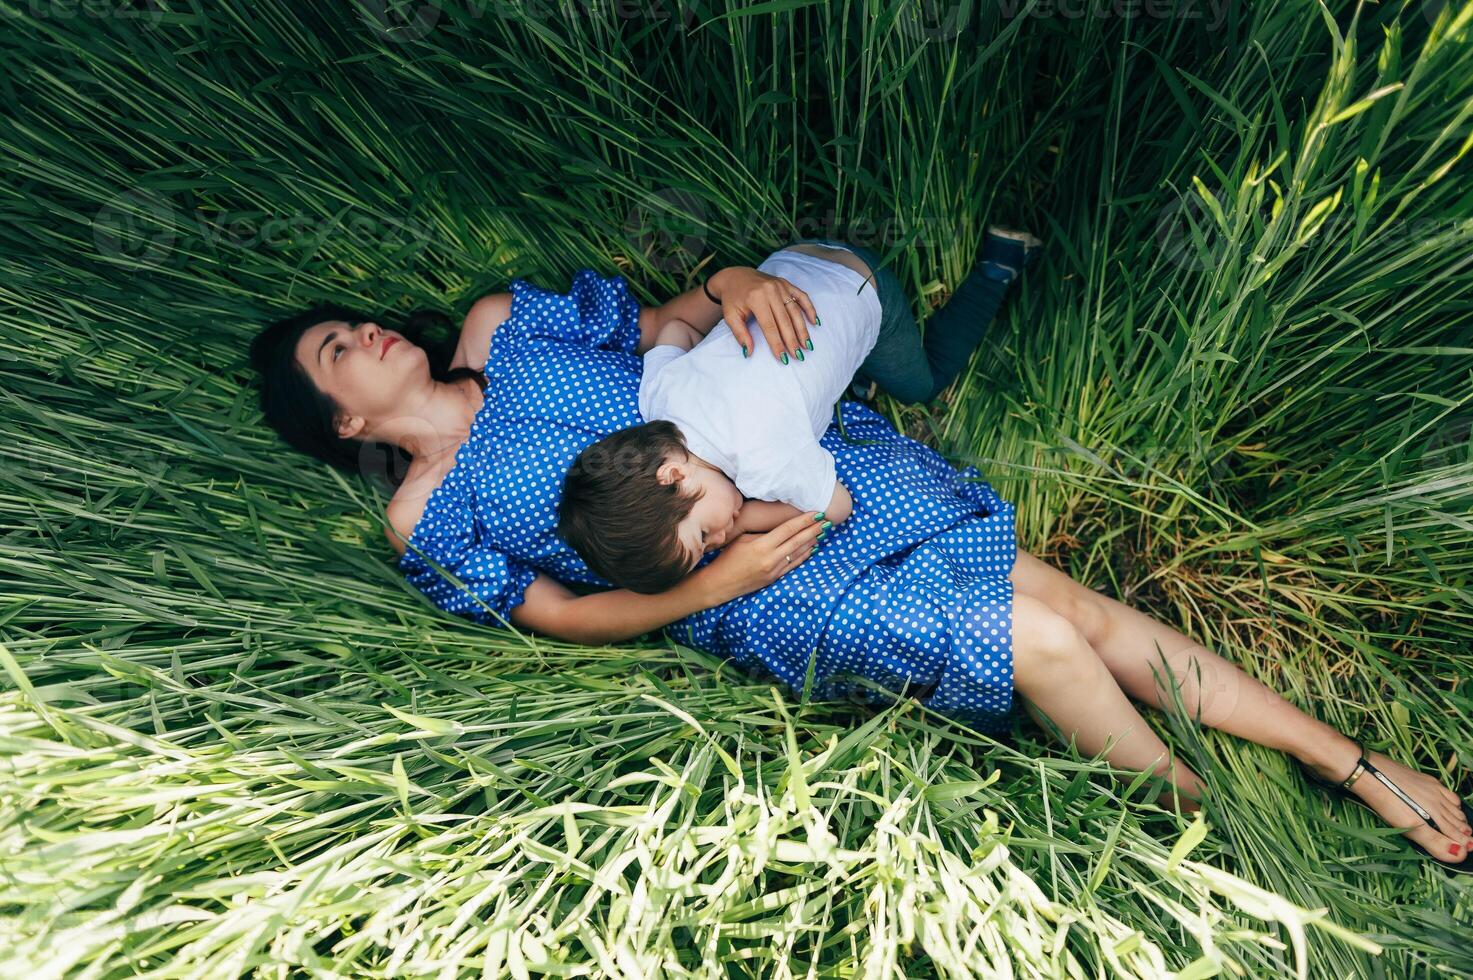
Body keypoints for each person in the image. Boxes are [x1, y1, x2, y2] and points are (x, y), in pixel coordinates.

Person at [250, 235, 1473, 872]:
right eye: (336, 354)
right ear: (344, 422)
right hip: (759, 584)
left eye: (350, 325)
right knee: (1041, 634)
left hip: (801, 457)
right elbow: (562, 615)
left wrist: (726, 278)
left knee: (1071, 605)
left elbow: (668, 327)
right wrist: (722, 578)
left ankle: (1348, 761)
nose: (361, 334)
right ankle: (1205, 814)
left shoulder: (500, 326)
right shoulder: (425, 513)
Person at [558, 232, 1035, 593]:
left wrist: (747, 522)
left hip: (864, 287)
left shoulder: (765, 464)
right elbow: (678, 328)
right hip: (788, 264)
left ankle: (996, 268)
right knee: (819, 377)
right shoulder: (656, 399)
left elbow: (838, 506)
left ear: (671, 476)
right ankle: (854, 373)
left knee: (921, 384)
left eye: (704, 534)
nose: (720, 539)